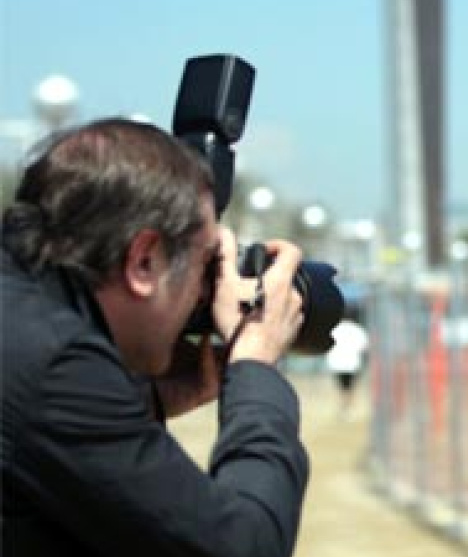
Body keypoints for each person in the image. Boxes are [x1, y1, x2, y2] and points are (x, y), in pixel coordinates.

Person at [1, 118, 310, 557]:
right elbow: (242, 545)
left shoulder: (23, 320)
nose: (208, 293)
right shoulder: (54, 364)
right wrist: (256, 364)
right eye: (207, 265)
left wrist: (146, 401)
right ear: (144, 262)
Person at [325, 306, 370, 419]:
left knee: (342, 387)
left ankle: (343, 407)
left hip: (337, 363)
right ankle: (347, 408)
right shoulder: (358, 329)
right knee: (350, 387)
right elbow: (364, 347)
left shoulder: (335, 329)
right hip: (352, 363)